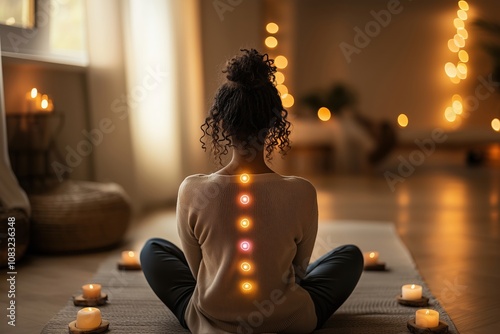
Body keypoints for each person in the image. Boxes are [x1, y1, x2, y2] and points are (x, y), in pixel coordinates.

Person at [140, 49, 364, 333]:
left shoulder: (191, 189)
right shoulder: (302, 191)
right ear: (274, 123)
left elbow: (198, 274)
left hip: (209, 320)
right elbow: (299, 271)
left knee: (152, 250)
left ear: (220, 122)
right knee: (349, 256)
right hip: (290, 320)